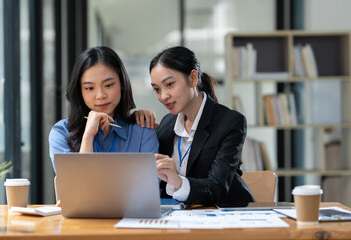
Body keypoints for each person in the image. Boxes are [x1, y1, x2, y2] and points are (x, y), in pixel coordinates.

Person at [147, 46, 254, 205]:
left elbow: (217, 188)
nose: (163, 96)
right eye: (156, 89)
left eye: (169, 84)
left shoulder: (230, 122)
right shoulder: (166, 124)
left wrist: (178, 181)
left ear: (193, 78)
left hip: (224, 214)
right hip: (180, 218)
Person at [49, 46, 159, 173]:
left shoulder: (142, 131)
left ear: (122, 84)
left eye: (108, 85)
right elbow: (75, 187)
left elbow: (151, 186)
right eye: (90, 88)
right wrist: (88, 136)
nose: (100, 95)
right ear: (80, 91)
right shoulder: (61, 133)